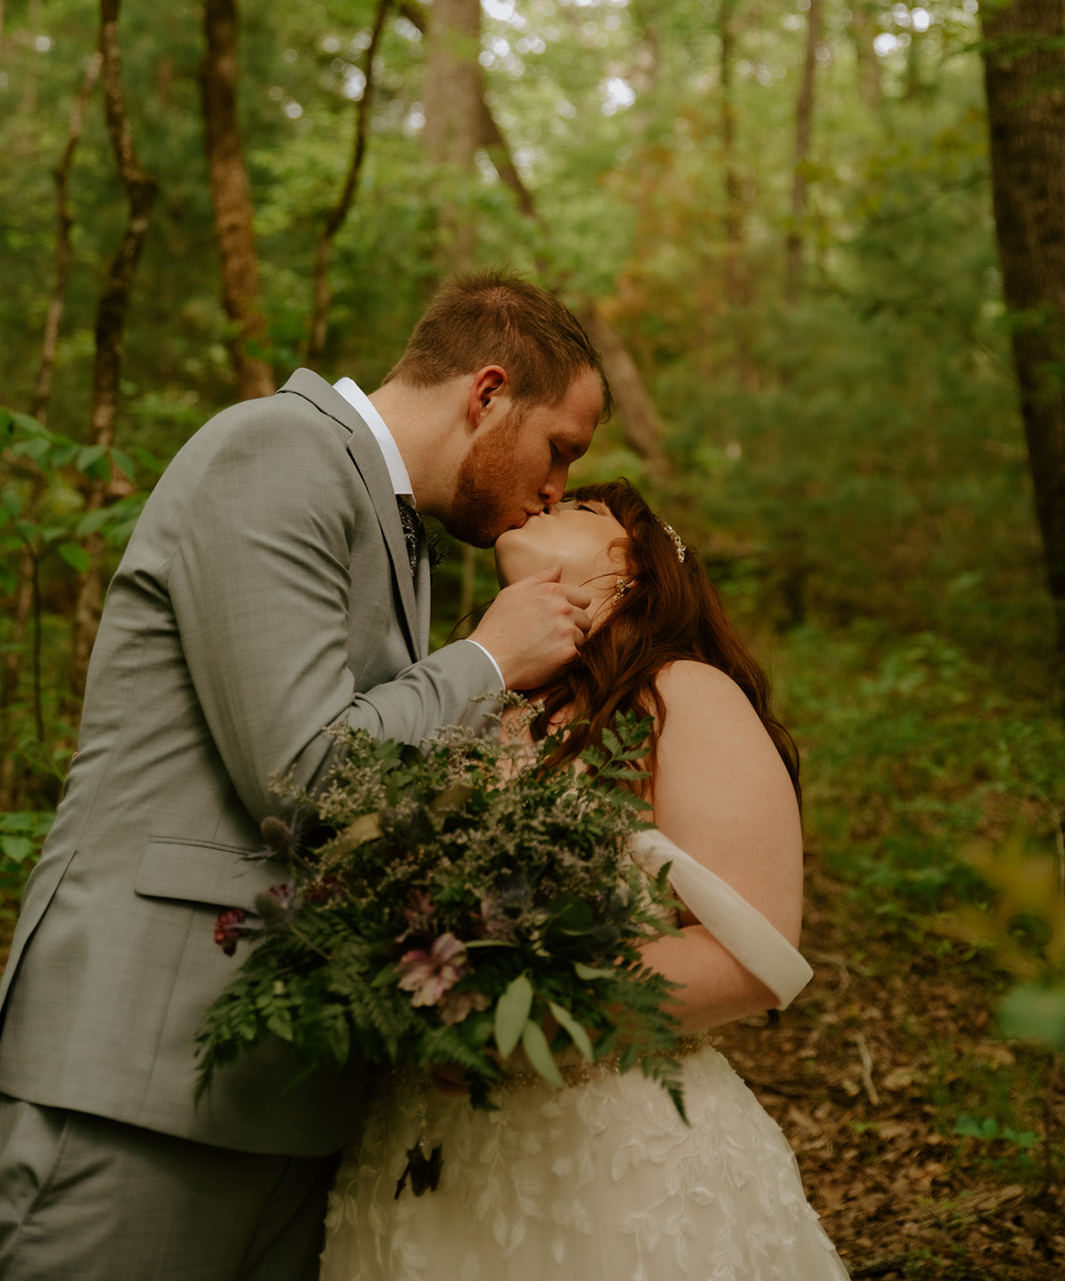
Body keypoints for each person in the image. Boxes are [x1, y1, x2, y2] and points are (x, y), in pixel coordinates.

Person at [0, 271, 609, 1281]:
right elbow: (307, 770)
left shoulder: (398, 530)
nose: (555, 489)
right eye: (561, 450)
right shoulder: (275, 451)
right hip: (145, 1076)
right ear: (488, 392)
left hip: (288, 1094)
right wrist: (489, 660)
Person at [322, 481, 850, 1280]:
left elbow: (755, 955)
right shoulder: (469, 702)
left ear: (631, 570)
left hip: (615, 1164)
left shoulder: (681, 695)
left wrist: (513, 1024)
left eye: (577, 506)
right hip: (420, 1144)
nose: (537, 500)